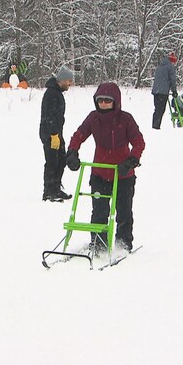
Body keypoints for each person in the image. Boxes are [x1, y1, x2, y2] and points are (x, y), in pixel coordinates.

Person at [65, 82, 146, 252]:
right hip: (100, 173)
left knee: (123, 212)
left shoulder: (126, 119)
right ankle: (99, 244)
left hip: (122, 174)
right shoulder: (93, 118)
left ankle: (123, 243)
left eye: (107, 101)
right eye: (100, 100)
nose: (103, 104)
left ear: (115, 101)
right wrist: (72, 152)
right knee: (99, 211)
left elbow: (138, 142)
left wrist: (131, 161)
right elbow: (79, 135)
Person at [40, 66, 74, 202]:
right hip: (50, 133)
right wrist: (53, 134)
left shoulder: (57, 93)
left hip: (57, 133)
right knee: (52, 162)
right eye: (69, 81)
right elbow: (50, 116)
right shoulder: (51, 94)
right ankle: (49, 191)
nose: (70, 84)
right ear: (62, 80)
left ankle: (56, 188)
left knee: (61, 160)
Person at [151, 51, 178, 130]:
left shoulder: (160, 66)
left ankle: (154, 126)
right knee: (161, 110)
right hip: (163, 92)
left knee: (157, 109)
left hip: (156, 91)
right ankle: (156, 127)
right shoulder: (170, 67)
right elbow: (172, 79)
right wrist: (174, 91)